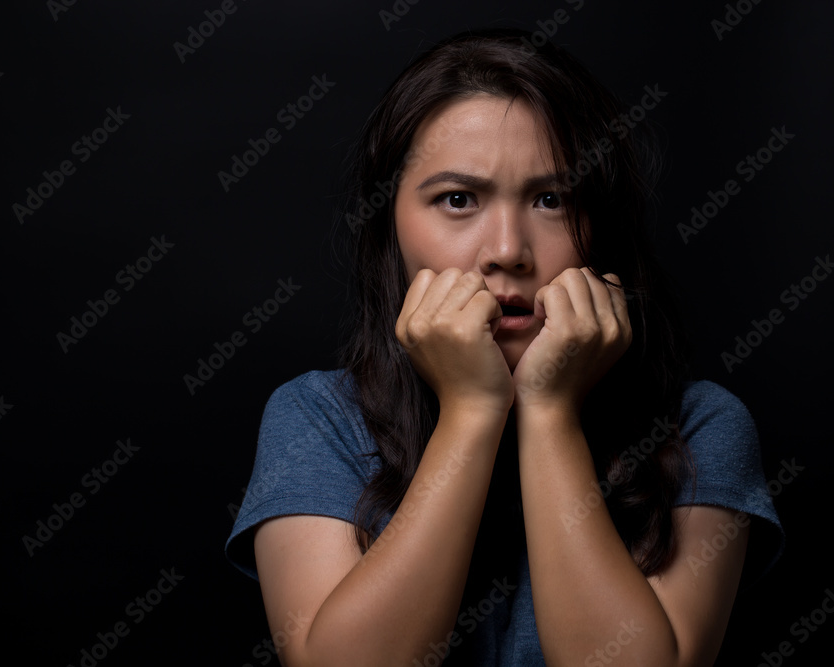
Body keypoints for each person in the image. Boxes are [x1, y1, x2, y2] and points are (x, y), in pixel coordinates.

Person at [226, 28, 783, 666]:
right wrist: (470, 410)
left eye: (552, 200)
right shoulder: (315, 418)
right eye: (457, 200)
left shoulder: (699, 426)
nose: (507, 251)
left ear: (603, 226)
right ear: (391, 227)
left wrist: (549, 411)